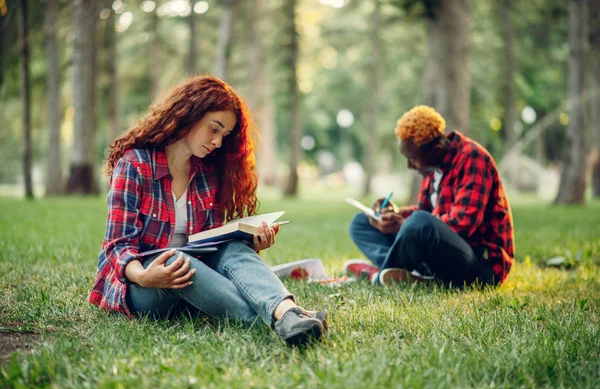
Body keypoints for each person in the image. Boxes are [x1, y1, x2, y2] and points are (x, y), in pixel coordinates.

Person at [89, 76, 327, 345]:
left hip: (194, 281)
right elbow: (117, 246)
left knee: (232, 249)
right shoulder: (134, 165)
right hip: (144, 285)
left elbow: (211, 245)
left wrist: (251, 241)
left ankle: (288, 314)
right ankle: (284, 319)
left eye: (224, 135)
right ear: (188, 115)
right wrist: (144, 276)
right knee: (177, 261)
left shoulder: (206, 172)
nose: (217, 142)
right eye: (214, 129)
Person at [345, 105, 514, 287]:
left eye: (413, 158)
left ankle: (380, 274)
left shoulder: (473, 158)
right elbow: (426, 214)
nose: (410, 165)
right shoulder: (432, 167)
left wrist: (405, 225)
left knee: (418, 223)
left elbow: (462, 224)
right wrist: (394, 214)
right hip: (441, 254)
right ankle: (405, 274)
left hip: (480, 265)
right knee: (361, 223)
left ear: (437, 148)